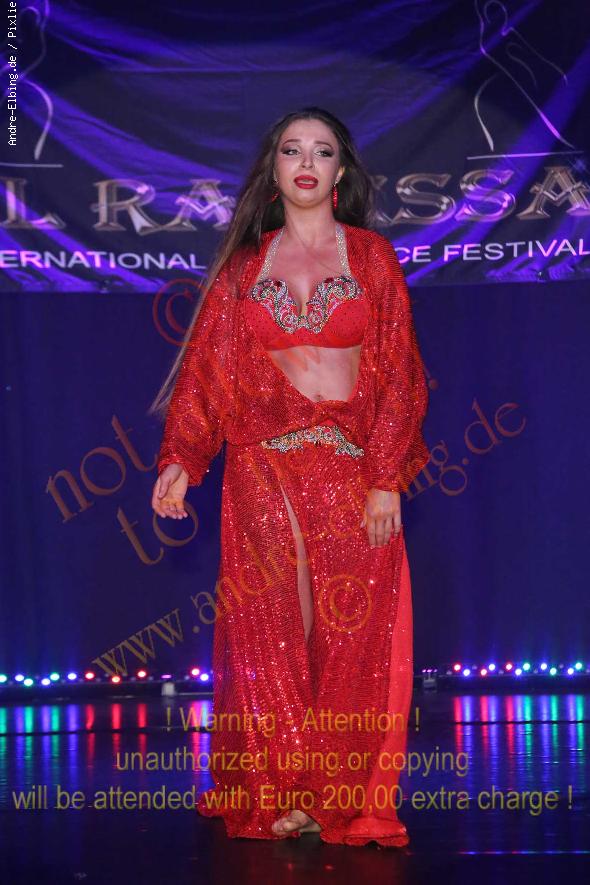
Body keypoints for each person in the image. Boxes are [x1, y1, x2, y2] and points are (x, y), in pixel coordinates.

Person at [148, 106, 430, 847]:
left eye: (322, 151)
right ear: (273, 170)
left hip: (349, 471)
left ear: (341, 172)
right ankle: (282, 790)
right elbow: (206, 376)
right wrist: (182, 459)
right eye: (292, 150)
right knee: (273, 634)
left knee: (350, 633)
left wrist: (385, 475)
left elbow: (399, 375)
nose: (306, 162)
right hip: (262, 472)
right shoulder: (245, 268)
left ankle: (336, 792)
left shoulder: (371, 258)